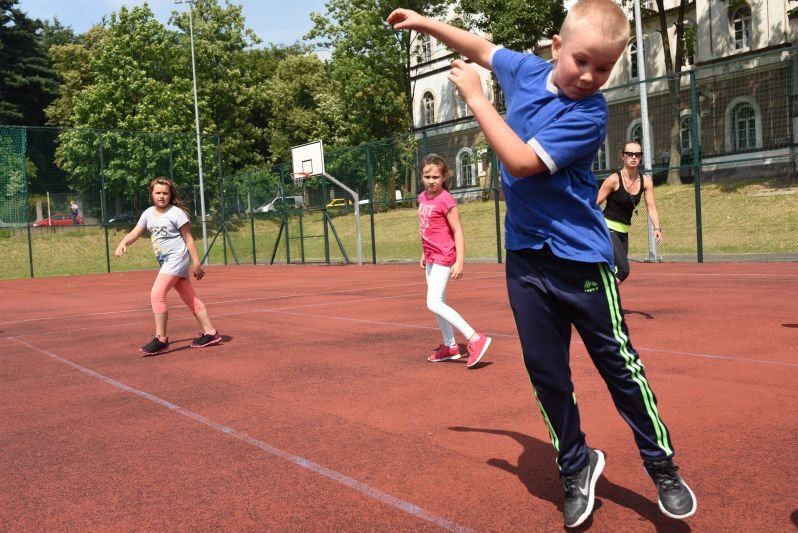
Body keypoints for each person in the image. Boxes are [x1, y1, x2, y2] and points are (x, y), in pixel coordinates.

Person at [388, 1, 695, 528]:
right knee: (547, 373)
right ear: (555, 48)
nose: (590, 76)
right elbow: (480, 46)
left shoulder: (589, 114)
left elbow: (522, 162)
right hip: (526, 262)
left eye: (604, 68)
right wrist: (423, 23)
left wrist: (476, 100)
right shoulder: (526, 69)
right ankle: (576, 465)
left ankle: (661, 464)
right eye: (581, 61)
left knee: (619, 368)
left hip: (581, 261)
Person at [114, 177, 221, 355]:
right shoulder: (148, 214)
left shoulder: (176, 213)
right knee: (189, 297)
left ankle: (161, 339)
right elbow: (135, 233)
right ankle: (211, 332)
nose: (161, 196)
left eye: (165, 193)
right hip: (167, 262)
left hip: (177, 259)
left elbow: (188, 239)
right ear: (152, 194)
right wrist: (123, 242)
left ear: (170, 195)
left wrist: (197, 264)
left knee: (157, 293)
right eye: (158, 193)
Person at [417, 153, 491, 368]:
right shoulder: (422, 198)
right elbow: (427, 228)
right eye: (427, 176)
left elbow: (457, 231)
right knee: (437, 304)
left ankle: (475, 338)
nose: (431, 181)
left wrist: (459, 261)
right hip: (431, 256)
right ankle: (450, 346)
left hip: (444, 256)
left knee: (434, 302)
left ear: (444, 177)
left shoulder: (446, 199)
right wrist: (424, 252)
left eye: (435, 177)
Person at [597, 141, 662, 283]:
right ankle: (604, 297)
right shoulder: (613, 180)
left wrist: (657, 227)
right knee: (622, 270)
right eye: (629, 154)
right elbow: (594, 204)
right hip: (607, 228)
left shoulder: (646, 181)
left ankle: (596, 297)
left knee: (611, 269)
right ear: (622, 156)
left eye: (637, 154)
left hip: (623, 232)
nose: (633, 157)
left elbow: (651, 206)